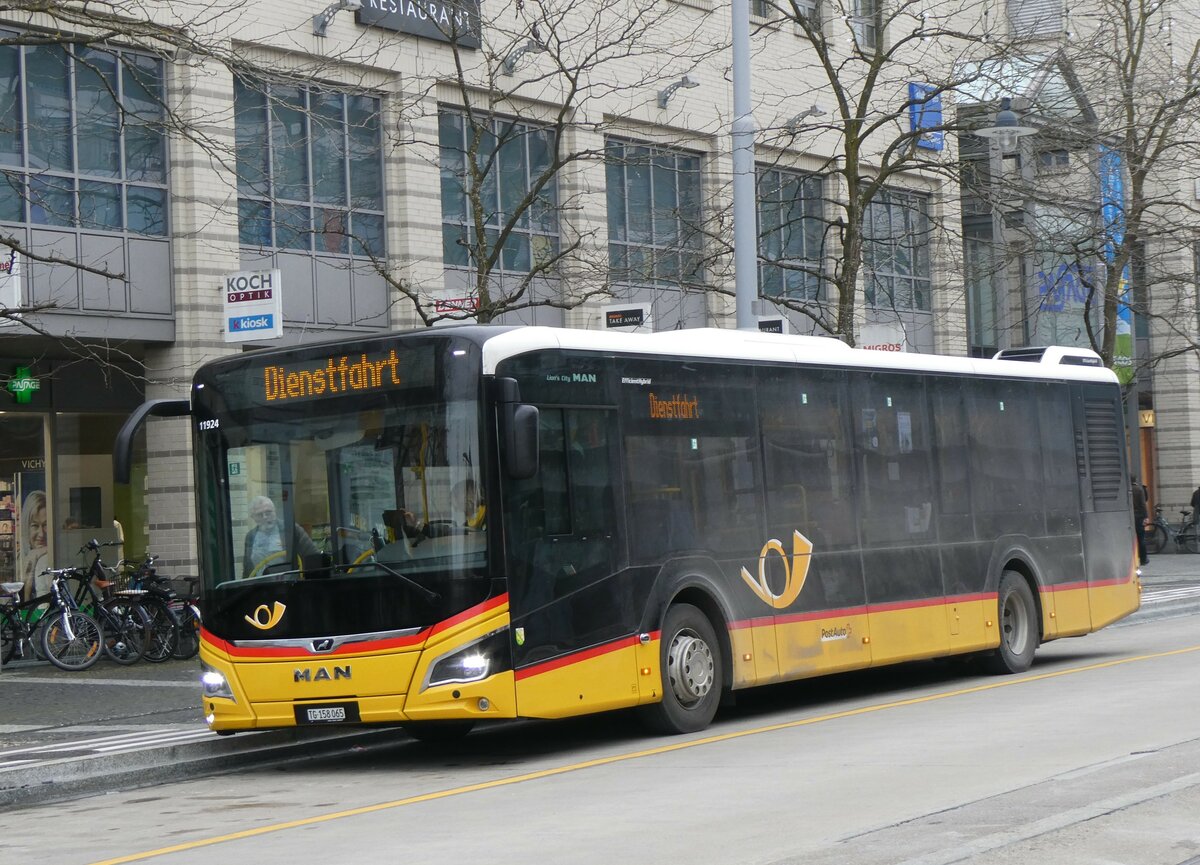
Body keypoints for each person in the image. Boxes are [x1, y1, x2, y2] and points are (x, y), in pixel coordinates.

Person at [242, 495, 319, 578]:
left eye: (268, 512)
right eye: (260, 514)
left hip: (288, 584)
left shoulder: (291, 530)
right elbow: (247, 569)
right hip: (261, 585)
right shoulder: (251, 536)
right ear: (253, 517)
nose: (265, 517)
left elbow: (313, 557)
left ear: (275, 512)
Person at [18, 489, 49, 600]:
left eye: (45, 525)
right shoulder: (19, 559)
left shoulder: (45, 560)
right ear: (27, 527)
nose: (41, 533)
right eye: (35, 526)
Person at [1132, 476, 1148, 566]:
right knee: (1141, 538)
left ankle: (1132, 559)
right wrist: (1146, 516)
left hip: (1129, 516)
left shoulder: (1125, 490)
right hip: (1139, 516)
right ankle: (1143, 559)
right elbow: (1143, 504)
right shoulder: (1139, 489)